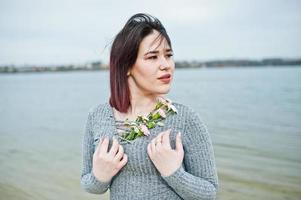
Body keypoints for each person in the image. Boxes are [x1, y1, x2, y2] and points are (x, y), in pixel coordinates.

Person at [81, 13, 218, 200]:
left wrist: (173, 173)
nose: (166, 65)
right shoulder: (97, 116)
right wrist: (100, 177)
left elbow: (209, 192)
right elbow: (89, 184)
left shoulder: (185, 119)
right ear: (126, 65)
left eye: (168, 55)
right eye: (152, 57)